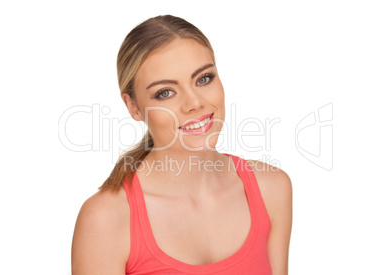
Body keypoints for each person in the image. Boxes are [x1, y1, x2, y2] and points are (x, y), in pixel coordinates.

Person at [71, 15, 292, 275]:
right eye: (165, 92)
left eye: (203, 78)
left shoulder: (272, 189)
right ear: (133, 106)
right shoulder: (105, 219)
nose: (194, 103)